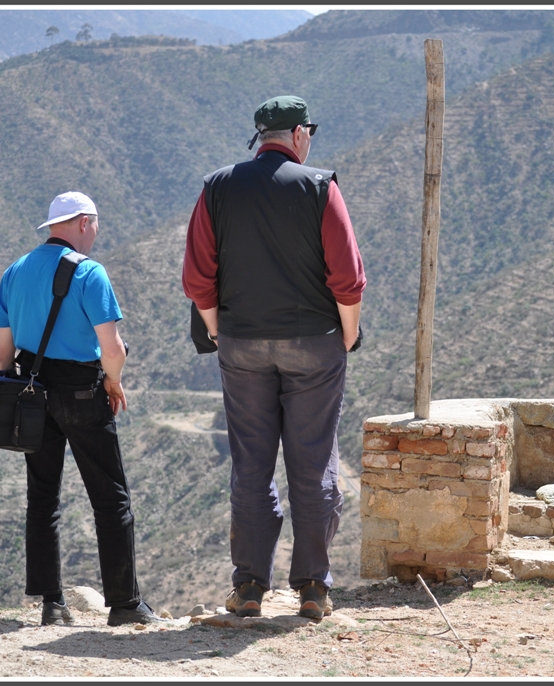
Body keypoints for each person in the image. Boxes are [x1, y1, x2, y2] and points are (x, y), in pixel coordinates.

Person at [182, 95, 366, 620]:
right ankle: (312, 588)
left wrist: (220, 333)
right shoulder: (318, 186)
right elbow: (347, 278)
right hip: (314, 345)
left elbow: (197, 276)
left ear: (260, 137)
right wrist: (346, 337)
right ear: (300, 134)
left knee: (252, 466)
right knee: (313, 463)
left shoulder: (217, 187)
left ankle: (249, 589)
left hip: (241, 344)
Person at [0, 191, 166, 627]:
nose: (96, 233)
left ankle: (52, 603)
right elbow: (112, 348)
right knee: (110, 497)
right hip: (83, 392)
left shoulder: (15, 271)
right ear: (84, 222)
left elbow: (1, 355)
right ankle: (124, 603)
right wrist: (114, 380)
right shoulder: (90, 273)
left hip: (32, 392)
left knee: (42, 496)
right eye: (96, 225)